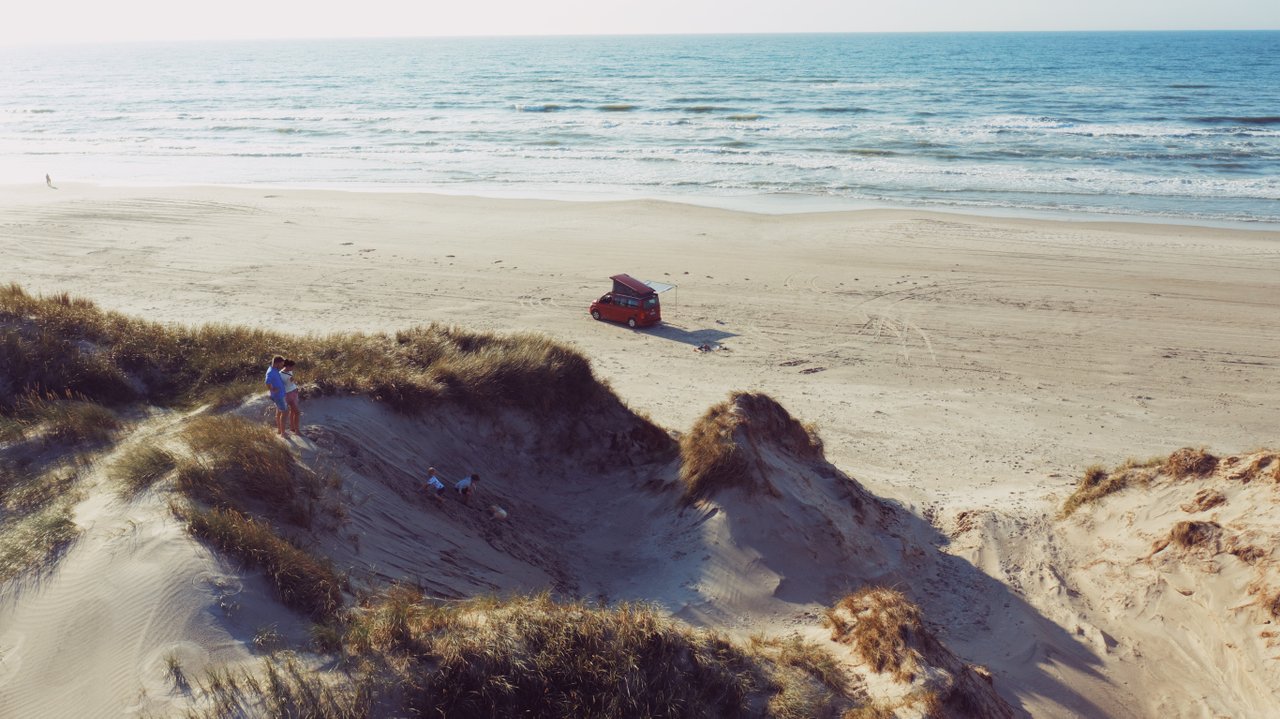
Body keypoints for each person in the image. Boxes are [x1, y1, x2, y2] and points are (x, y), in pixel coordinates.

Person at [264, 355, 288, 436]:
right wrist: (273, 389)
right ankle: (283, 433)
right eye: (281, 364)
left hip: (279, 394)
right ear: (277, 363)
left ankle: (279, 430)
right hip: (278, 396)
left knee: (279, 412)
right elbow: (267, 382)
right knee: (284, 412)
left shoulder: (274, 369)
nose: (282, 366)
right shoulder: (271, 371)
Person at [281, 359, 301, 434]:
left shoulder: (290, 371)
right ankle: (297, 430)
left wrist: (295, 387)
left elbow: (291, 383)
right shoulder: (280, 374)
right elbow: (282, 385)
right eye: (292, 367)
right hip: (287, 394)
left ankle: (292, 428)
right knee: (297, 412)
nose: (293, 368)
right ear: (288, 366)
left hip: (293, 392)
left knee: (293, 412)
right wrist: (290, 381)